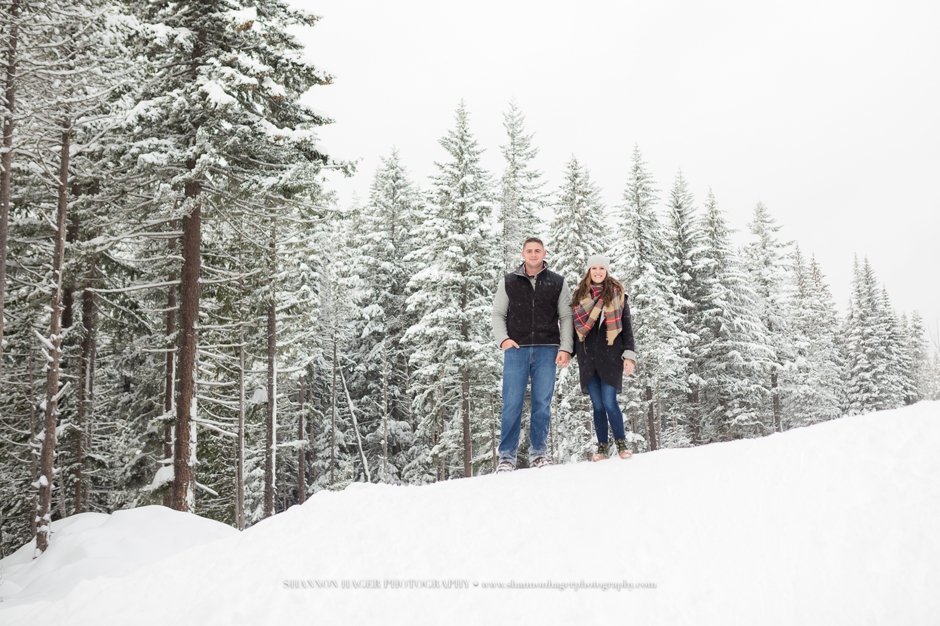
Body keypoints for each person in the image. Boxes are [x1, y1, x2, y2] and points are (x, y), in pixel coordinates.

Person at [491, 237, 573, 473]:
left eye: (538, 250)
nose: (534, 254)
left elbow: (566, 317)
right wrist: (503, 340)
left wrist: (565, 347)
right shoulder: (509, 281)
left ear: (544, 253)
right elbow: (498, 313)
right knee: (512, 403)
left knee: (542, 404)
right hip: (516, 349)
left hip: (548, 350)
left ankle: (539, 453)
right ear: (523, 253)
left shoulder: (557, 282)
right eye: (529, 250)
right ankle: (507, 457)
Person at [571, 255, 637, 461]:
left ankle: (622, 444)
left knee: (609, 401)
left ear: (607, 271)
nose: (598, 272)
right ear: (588, 272)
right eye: (594, 268)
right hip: (588, 358)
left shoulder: (618, 295)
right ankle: (602, 448)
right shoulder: (579, 297)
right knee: (597, 404)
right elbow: (573, 330)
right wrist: (568, 353)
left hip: (611, 357)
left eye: (601, 268)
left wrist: (629, 356)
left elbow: (627, 329)